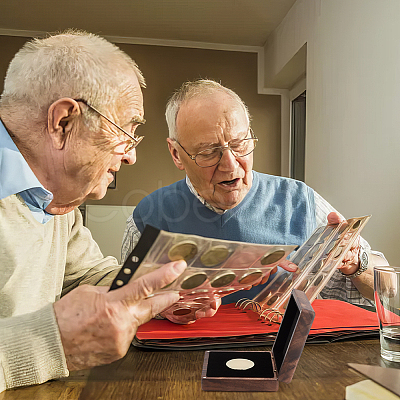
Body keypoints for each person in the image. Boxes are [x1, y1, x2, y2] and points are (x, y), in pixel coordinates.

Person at [0, 31, 192, 393]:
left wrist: (162, 290)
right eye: (127, 130)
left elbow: (87, 273)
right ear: (63, 123)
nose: (132, 155)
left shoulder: (58, 203)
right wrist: (50, 341)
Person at [122, 79, 387, 307]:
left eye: (240, 144)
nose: (230, 164)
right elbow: (122, 306)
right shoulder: (147, 217)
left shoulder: (300, 200)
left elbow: (388, 287)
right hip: (178, 359)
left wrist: (356, 263)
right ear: (177, 154)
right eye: (208, 152)